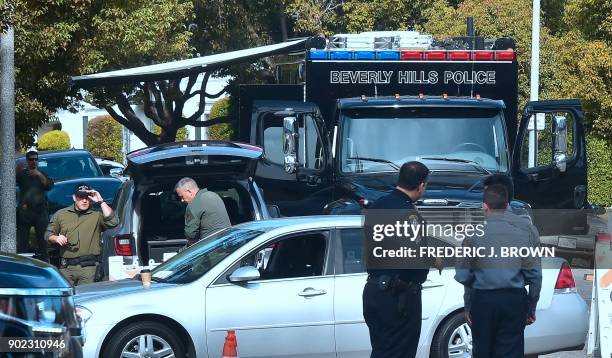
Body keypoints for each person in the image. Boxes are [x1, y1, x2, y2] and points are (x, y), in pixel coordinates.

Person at [455, 184, 542, 358]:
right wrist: (530, 308)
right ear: (507, 205)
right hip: (514, 300)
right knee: (511, 351)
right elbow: (535, 276)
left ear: (485, 206)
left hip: (483, 301)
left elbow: (465, 276)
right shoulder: (524, 233)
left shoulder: (473, 235)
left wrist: (468, 306)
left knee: (482, 352)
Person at [362, 161, 433, 358]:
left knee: (381, 351)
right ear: (421, 186)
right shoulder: (411, 216)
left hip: (373, 292)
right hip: (399, 296)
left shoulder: (376, 206)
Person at [46, 184, 119, 286]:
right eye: (81, 197)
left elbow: (113, 222)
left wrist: (101, 201)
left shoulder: (96, 215)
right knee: (67, 299)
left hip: (89, 268)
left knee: (86, 298)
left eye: (87, 198)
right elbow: (48, 235)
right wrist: (56, 238)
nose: (84, 201)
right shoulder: (61, 214)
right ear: (74, 197)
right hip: (67, 269)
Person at [16, 150, 54, 260]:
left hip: (40, 212)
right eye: (31, 159)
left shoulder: (41, 174)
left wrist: (38, 174)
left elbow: (49, 185)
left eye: (36, 159)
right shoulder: (22, 174)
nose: (34, 161)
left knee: (43, 242)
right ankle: (22, 263)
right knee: (22, 242)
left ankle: (45, 262)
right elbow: (11, 179)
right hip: (25, 213)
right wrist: (18, 169)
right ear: (27, 161)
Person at [174, 177, 231, 245]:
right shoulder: (214, 195)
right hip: (228, 243)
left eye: (182, 196)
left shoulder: (194, 204)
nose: (182, 200)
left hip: (212, 248)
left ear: (189, 192)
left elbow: (191, 235)